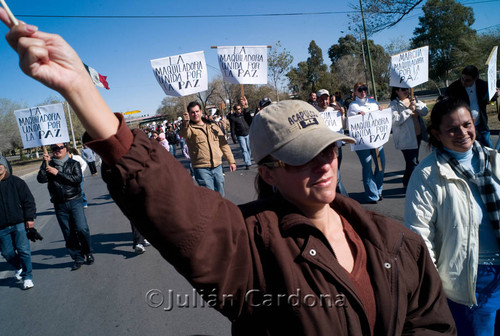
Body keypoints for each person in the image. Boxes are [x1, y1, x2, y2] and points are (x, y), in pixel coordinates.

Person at [1, 16, 456, 335]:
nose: (324, 164)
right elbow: (180, 211)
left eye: (330, 150)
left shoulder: (398, 243)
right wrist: (80, 87)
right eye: (301, 156)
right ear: (271, 174)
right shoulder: (253, 246)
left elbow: (430, 325)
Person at [405, 96, 500, 335]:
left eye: (467, 124)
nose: (463, 132)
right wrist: (433, 283)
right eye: (452, 129)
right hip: (468, 282)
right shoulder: (426, 175)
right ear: (437, 134)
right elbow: (420, 235)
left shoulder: (495, 160)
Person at [37, 143, 94, 271]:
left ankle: (88, 252)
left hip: (75, 201)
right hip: (59, 204)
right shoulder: (49, 165)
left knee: (81, 228)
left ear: (65, 149)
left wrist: (57, 173)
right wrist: (43, 163)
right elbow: (41, 179)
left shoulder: (74, 163)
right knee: (68, 233)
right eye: (54, 149)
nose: (57, 150)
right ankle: (77, 258)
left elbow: (77, 179)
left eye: (60, 148)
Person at [180, 101, 236, 196]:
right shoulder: (189, 128)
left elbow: (223, 144)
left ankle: (221, 209)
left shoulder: (212, 126)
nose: (195, 114)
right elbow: (185, 134)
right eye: (192, 112)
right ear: (189, 114)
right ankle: (214, 211)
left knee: (220, 192)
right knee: (209, 194)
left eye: (197, 111)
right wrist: (185, 122)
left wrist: (231, 161)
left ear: (201, 111)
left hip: (217, 165)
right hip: (201, 167)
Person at [347, 82, 385, 204]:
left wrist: (381, 111)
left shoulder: (373, 103)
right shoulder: (353, 106)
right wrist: (357, 117)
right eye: (360, 89)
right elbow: (349, 124)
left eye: (365, 89)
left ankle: (378, 190)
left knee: (381, 165)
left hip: (376, 140)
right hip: (362, 143)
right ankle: (372, 195)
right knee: (367, 167)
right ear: (355, 92)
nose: (363, 91)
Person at [0, 161, 36, 289]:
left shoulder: (16, 182)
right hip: (1, 227)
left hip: (19, 223)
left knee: (23, 250)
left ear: (5, 166)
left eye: (0, 165)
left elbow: (28, 200)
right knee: (7, 253)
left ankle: (28, 277)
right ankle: (19, 266)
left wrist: (30, 218)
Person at [446, 65, 498, 148]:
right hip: (464, 127)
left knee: (487, 148)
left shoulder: (483, 86)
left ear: (475, 78)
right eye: (462, 79)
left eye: (467, 80)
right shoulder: (454, 88)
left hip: (481, 125)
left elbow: (488, 101)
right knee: (468, 149)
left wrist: (494, 96)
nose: (464, 82)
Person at [389, 87, 429, 187]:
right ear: (396, 91)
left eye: (406, 89)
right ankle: (411, 184)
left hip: (418, 135)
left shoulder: (414, 100)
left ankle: (408, 182)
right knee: (413, 162)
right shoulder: (394, 104)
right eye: (402, 89)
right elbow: (396, 121)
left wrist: (416, 105)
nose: (406, 91)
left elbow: (425, 111)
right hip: (405, 138)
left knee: (412, 162)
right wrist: (409, 110)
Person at [315, 89, 348, 196]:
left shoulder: (334, 110)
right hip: (324, 150)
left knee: (335, 173)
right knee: (336, 177)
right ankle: (345, 200)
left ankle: (333, 198)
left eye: (326, 99)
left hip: (337, 147)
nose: (324, 102)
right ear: (318, 100)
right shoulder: (313, 113)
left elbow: (343, 126)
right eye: (322, 99)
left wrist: (342, 115)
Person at [230, 99, 252, 170]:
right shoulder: (233, 118)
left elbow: (248, 117)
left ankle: (249, 160)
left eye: (240, 109)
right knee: (244, 149)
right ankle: (247, 163)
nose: (239, 110)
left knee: (249, 148)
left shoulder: (243, 114)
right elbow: (232, 128)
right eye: (238, 109)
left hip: (247, 133)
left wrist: (246, 105)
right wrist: (234, 138)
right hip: (240, 135)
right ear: (235, 110)